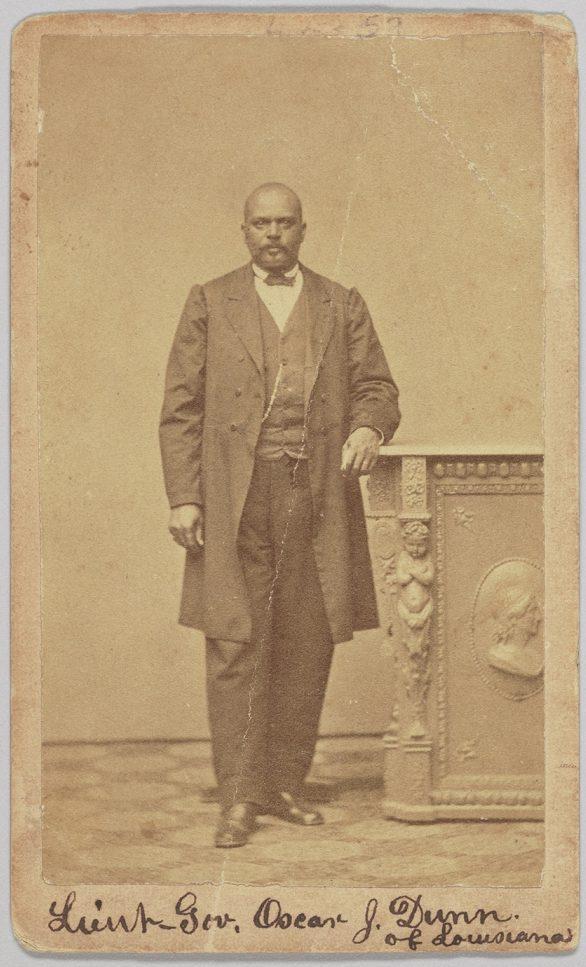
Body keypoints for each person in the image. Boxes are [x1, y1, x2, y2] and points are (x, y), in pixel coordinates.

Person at [159, 182, 400, 847]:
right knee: (236, 640)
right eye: (261, 223)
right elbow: (180, 407)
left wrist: (369, 428)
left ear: (303, 230)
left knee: (308, 636)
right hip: (238, 496)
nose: (273, 234)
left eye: (284, 223)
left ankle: (287, 782)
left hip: (316, 493)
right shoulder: (210, 302)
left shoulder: (340, 303)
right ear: (243, 231)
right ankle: (238, 797)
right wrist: (185, 495)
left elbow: (378, 386)